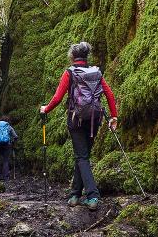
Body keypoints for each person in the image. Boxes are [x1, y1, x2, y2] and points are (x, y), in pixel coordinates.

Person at [39, 42, 118, 211]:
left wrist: (46, 109)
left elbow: (58, 98)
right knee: (82, 155)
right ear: (86, 56)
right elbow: (109, 94)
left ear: (72, 57)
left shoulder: (70, 73)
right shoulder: (96, 72)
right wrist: (114, 116)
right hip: (94, 120)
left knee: (82, 157)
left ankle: (92, 195)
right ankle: (74, 195)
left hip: (76, 120)